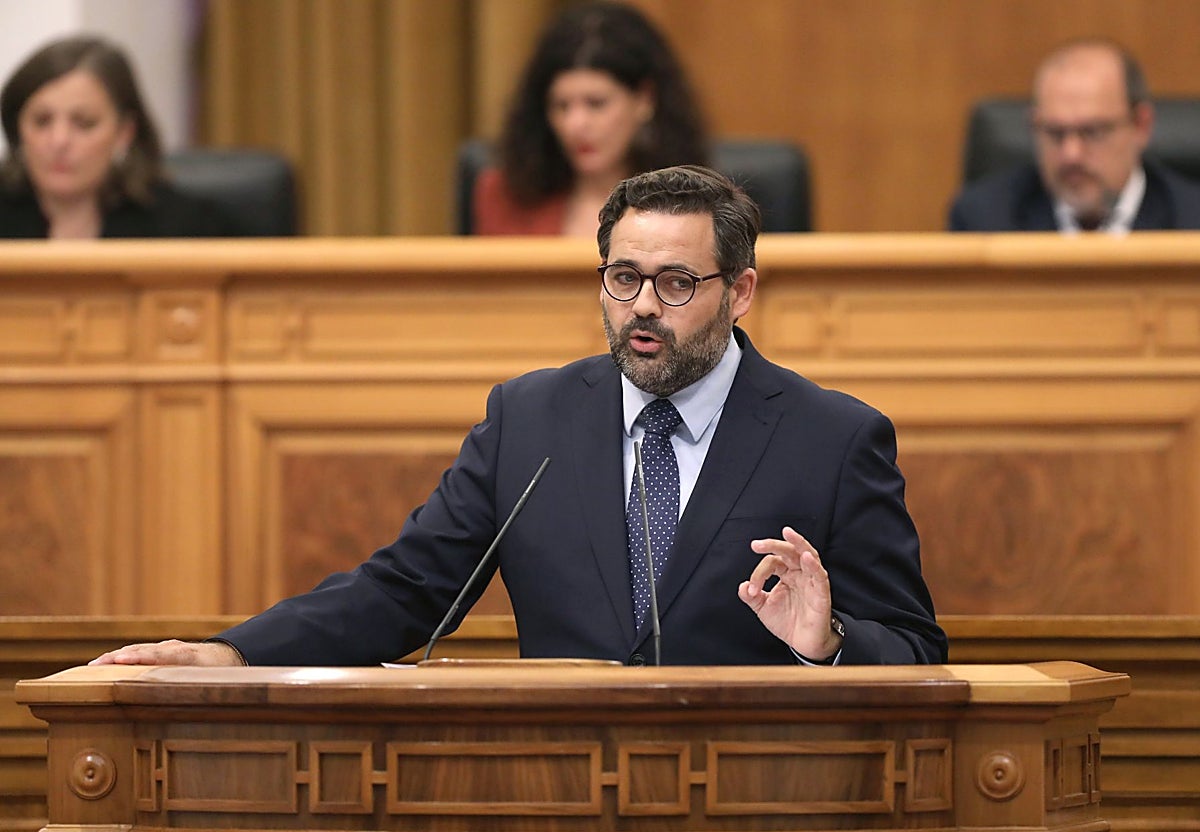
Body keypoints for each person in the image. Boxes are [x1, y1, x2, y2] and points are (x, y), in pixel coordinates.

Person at [93, 165, 947, 669]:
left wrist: (829, 640)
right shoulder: (529, 421)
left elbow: (916, 647)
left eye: (677, 283)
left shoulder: (832, 438)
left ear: (741, 291)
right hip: (558, 790)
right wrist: (234, 651)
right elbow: (406, 589)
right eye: (623, 278)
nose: (643, 307)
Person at [473, 1, 708, 237]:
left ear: (644, 99)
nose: (575, 124)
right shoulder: (504, 196)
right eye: (561, 106)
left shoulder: (697, 201)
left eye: (596, 103)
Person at [948, 39, 1200, 233]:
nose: (1071, 154)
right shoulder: (984, 219)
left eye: (1093, 132)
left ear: (1141, 126)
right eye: (1055, 133)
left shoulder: (1192, 220)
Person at [0, 35, 235, 239]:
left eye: (84, 123)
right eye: (42, 121)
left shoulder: (186, 226)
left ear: (124, 133)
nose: (59, 141)